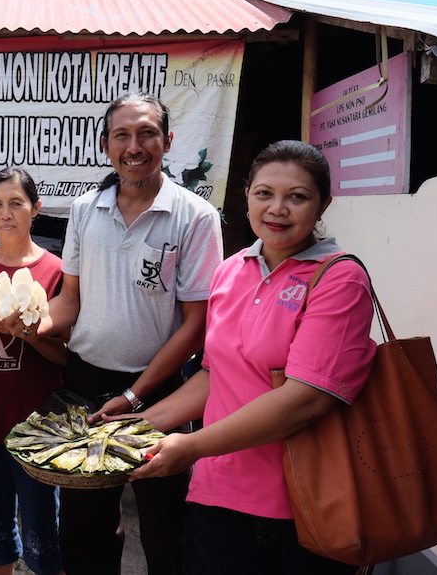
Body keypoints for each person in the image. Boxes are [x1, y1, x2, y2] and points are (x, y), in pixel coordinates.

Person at [118, 139, 377, 574]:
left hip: (300, 506)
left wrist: (191, 446)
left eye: (297, 197)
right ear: (247, 196)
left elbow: (306, 398)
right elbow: (215, 375)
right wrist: (137, 426)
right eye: (264, 193)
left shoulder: (340, 280)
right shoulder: (230, 270)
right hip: (215, 497)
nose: (277, 209)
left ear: (323, 204)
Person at [19, 94, 223, 575]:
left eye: (147, 133)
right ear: (105, 145)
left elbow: (196, 325)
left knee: (166, 525)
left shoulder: (196, 216)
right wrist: (34, 323)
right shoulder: (85, 209)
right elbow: (70, 300)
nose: (135, 146)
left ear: (167, 141)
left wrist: (135, 395)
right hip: (85, 384)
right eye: (122, 135)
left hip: (161, 389)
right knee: (84, 527)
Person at [0, 167, 66, 575]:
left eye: (16, 203)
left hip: (38, 428)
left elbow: (68, 357)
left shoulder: (57, 272)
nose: (6, 214)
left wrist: (30, 335)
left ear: (36, 208)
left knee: (43, 534)